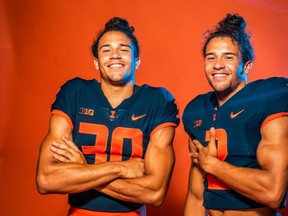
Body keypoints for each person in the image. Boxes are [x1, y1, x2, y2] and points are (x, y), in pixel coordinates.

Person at [36, 17, 179, 216]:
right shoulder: (74, 93)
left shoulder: (157, 100)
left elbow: (155, 193)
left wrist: (82, 169)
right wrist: (120, 168)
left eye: (123, 49)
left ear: (137, 61)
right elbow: (46, 179)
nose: (115, 56)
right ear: (96, 62)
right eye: (106, 50)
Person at [182, 13, 288, 216]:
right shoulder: (196, 110)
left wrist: (213, 165)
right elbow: (196, 195)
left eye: (228, 57)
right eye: (210, 57)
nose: (218, 64)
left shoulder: (269, 98)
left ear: (246, 66)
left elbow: (274, 192)